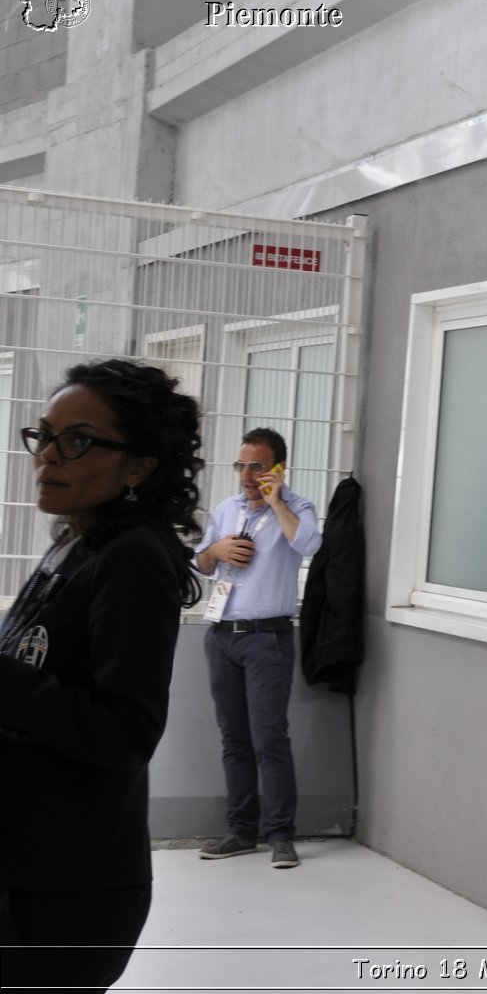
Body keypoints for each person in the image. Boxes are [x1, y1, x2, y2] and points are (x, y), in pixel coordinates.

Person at [0, 358, 204, 992]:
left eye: (78, 441)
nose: (49, 457)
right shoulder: (76, 540)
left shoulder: (134, 561)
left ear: (138, 466)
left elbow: (125, 733)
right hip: (25, 864)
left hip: (68, 891)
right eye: (45, 435)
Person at [193, 428, 322, 869]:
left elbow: (308, 544)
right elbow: (199, 561)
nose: (248, 475)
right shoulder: (226, 510)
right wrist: (218, 549)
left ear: (279, 469)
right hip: (222, 636)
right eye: (242, 465)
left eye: (258, 466)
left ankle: (281, 835)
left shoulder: (297, 508)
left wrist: (275, 502)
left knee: (269, 739)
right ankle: (241, 831)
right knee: (234, 740)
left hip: (268, 638)